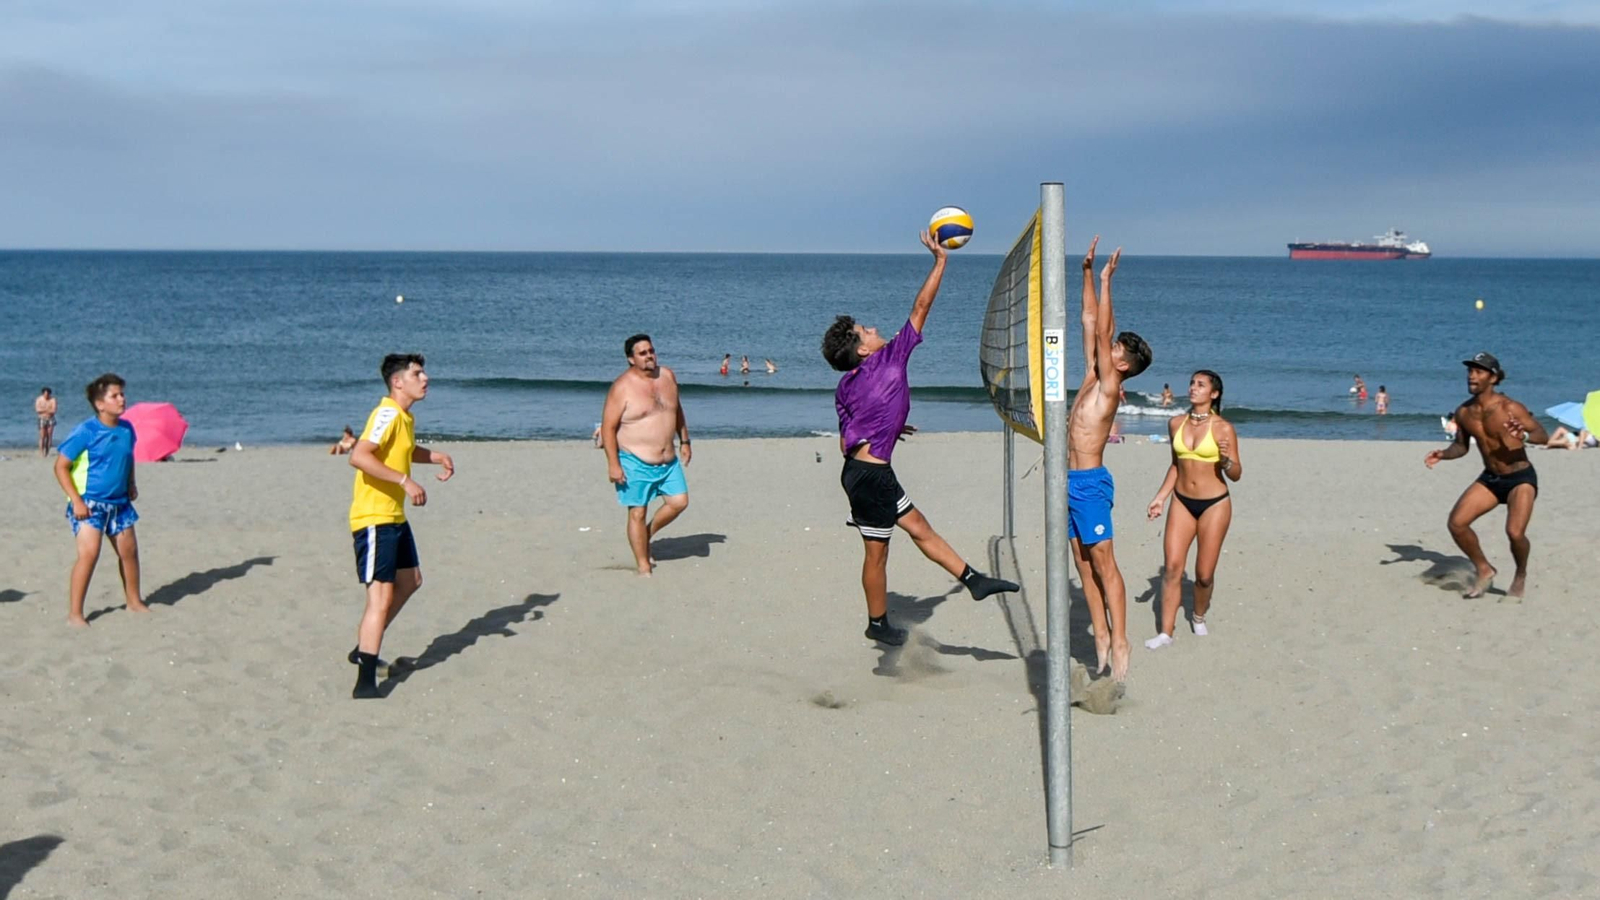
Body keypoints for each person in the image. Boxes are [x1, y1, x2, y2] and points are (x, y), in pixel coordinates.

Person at [820, 229, 1019, 647]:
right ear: (862, 349)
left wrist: (891, 426)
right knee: (878, 552)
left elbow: (852, 429)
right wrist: (941, 261)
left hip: (864, 472)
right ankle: (877, 623)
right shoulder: (890, 357)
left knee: (920, 528)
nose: (873, 328)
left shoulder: (848, 385)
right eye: (865, 329)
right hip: (871, 478)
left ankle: (973, 580)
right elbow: (922, 306)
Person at [1067, 237, 1153, 682]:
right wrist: (1085, 273)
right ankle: (1099, 634)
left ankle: (1121, 640)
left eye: (1115, 350)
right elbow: (1089, 321)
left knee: (1104, 562)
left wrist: (1106, 279)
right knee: (1082, 562)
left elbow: (1102, 330)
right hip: (1066, 482)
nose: (1107, 349)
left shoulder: (1109, 387)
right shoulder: (1092, 374)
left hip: (1090, 483)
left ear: (1123, 364)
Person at [347, 353, 456, 699]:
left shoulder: (404, 418)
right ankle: (365, 681)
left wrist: (434, 456)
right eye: (418, 373)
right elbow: (360, 456)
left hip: (394, 517)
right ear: (398, 382)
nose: (426, 379)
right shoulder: (386, 413)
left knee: (411, 581)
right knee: (380, 596)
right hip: (374, 518)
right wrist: (406, 482)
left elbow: (401, 451)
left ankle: (363, 647)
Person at [1424, 352, 1546, 599]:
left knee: (1515, 533)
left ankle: (1520, 574)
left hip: (1520, 477)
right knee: (1457, 523)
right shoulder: (1464, 412)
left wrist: (1522, 436)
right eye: (1470, 371)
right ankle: (1484, 568)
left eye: (1478, 371)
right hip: (1491, 478)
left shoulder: (1510, 408)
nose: (1471, 376)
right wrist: (1443, 454)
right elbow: (1462, 446)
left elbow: (1543, 436)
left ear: (1493, 378)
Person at [1144, 370, 1240, 649]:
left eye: (1201, 385)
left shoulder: (1223, 428)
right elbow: (1176, 465)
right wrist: (1160, 497)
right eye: (1192, 383)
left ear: (1214, 394)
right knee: (1173, 568)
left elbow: (1236, 473)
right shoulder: (1176, 423)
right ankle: (1166, 633)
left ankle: (1198, 615)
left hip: (1215, 504)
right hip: (1182, 502)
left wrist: (1225, 461)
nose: (1193, 388)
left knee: (1203, 575)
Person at [53, 373, 149, 627]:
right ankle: (75, 614)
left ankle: (133, 601)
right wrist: (76, 501)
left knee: (129, 552)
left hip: (120, 504)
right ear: (100, 404)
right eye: (115, 395)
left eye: (122, 394)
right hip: (89, 503)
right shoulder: (86, 431)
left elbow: (127, 460)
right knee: (89, 554)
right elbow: (61, 466)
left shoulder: (127, 429)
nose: (121, 399)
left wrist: (131, 484)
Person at [601, 334, 691, 576]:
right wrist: (613, 464)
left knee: (679, 502)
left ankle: (646, 536)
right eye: (642, 353)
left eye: (651, 350)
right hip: (634, 460)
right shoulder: (622, 387)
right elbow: (608, 427)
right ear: (631, 359)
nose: (649, 355)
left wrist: (685, 440)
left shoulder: (668, 376)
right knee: (637, 512)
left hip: (668, 460)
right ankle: (643, 567)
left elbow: (676, 409)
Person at [35, 387, 58, 457]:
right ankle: (41, 452)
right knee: (42, 436)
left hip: (50, 419)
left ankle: (47, 452)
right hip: (42, 418)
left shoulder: (53, 400)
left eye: (48, 394)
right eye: (45, 394)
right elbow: (38, 410)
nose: (46, 396)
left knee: (49, 436)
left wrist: (44, 410)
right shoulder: (39, 399)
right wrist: (48, 410)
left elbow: (54, 410)